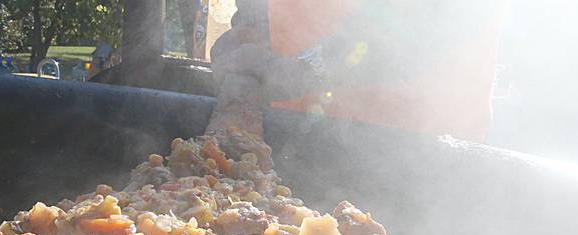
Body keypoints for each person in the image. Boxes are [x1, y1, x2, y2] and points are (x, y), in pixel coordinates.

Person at [210, 0, 510, 142]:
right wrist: (251, 33)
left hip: (417, 147)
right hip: (289, 136)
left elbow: (439, 19)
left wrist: (309, 68)